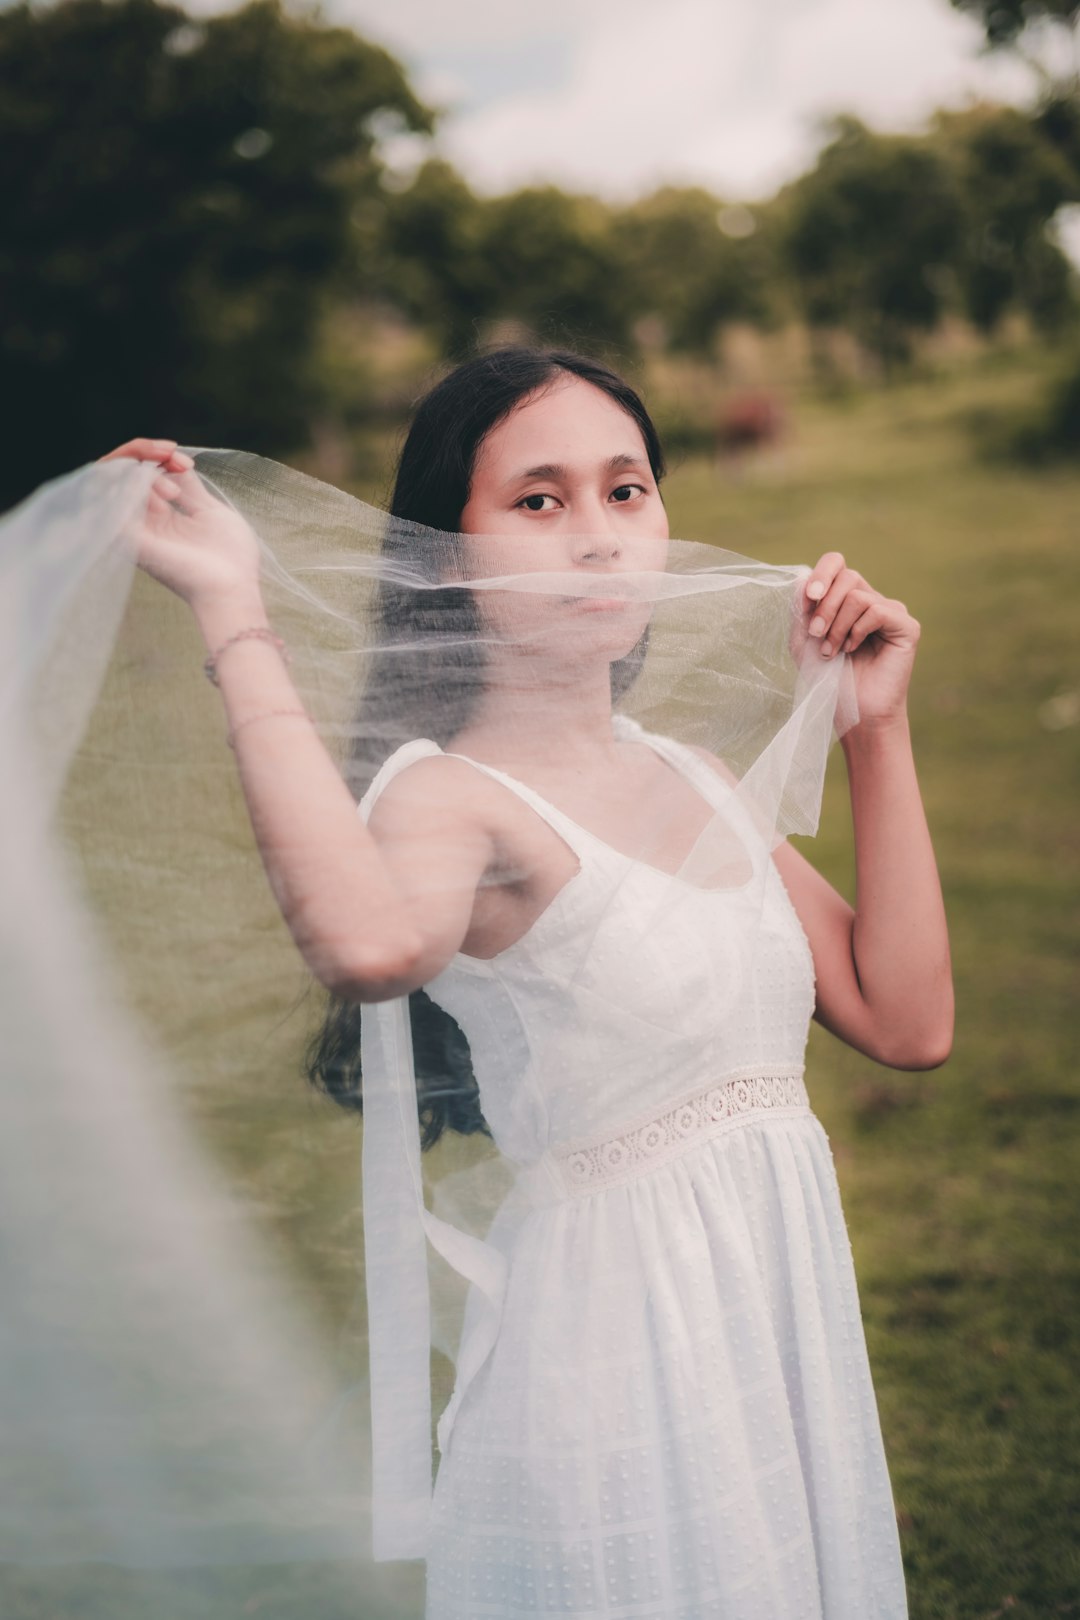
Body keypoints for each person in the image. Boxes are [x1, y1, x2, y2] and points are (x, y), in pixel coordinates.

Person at [101, 346, 953, 1619]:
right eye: (540, 502)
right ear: (450, 552)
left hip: (768, 1341)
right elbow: (367, 946)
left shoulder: (699, 777)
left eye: (627, 490)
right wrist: (235, 615)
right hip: (615, 1368)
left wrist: (876, 729)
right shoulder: (451, 800)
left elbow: (906, 1018)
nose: (601, 539)